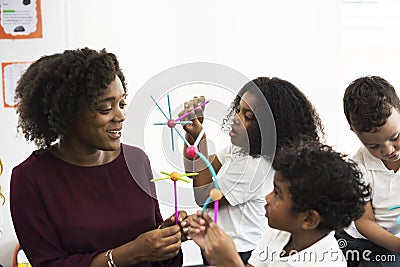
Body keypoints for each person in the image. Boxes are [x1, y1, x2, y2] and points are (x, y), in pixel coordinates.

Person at [10, 47, 187, 267]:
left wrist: (166, 237)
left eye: (121, 104)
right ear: (68, 113)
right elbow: (49, 263)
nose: (120, 116)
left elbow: (152, 245)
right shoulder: (30, 178)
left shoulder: (136, 160)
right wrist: (131, 253)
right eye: (105, 108)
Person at [180, 77, 324, 265]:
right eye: (238, 110)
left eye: (247, 117)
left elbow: (203, 195)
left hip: (238, 252)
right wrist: (192, 136)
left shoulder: (255, 166)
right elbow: (198, 170)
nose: (236, 119)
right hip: (217, 244)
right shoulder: (241, 150)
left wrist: (200, 137)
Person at [189, 140, 370, 267]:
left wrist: (229, 262)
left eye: (277, 194)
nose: (267, 198)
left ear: (308, 219)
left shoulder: (324, 262)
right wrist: (214, 249)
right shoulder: (278, 234)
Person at [336, 75, 400, 266]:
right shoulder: (358, 167)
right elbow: (364, 222)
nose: (388, 150)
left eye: (395, 137)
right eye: (374, 146)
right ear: (354, 132)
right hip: (361, 240)